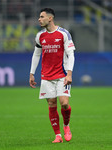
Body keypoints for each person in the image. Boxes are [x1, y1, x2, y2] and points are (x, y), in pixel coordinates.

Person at [29, 8, 75, 143]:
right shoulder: (39, 36)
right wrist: (32, 73)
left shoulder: (63, 34)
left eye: (42, 16)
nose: (39, 19)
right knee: (51, 104)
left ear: (50, 18)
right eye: (39, 17)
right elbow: (36, 54)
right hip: (46, 76)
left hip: (62, 75)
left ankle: (66, 126)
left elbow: (71, 54)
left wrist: (69, 74)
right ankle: (58, 135)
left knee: (64, 103)